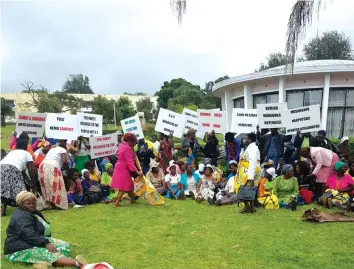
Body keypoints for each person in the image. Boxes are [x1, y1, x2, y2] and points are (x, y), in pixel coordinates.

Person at [4, 191, 88, 268]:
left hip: (31, 242)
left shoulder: (33, 212)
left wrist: (47, 242)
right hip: (17, 249)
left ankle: (41, 263)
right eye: (28, 203)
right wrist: (45, 243)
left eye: (33, 203)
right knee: (49, 254)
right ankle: (78, 263)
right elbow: (27, 233)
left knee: (64, 245)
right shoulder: (21, 217)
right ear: (21, 204)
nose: (32, 205)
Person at [1, 138, 37, 216]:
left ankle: (3, 211)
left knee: (5, 190)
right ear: (26, 146)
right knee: (21, 193)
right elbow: (31, 169)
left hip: (1, 167)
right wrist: (33, 183)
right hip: (13, 169)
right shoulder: (27, 153)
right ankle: (28, 211)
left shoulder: (11, 152)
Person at [111, 133, 143, 207]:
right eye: (135, 142)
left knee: (129, 184)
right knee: (123, 186)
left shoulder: (122, 145)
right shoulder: (127, 148)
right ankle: (116, 203)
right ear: (130, 141)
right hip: (123, 168)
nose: (135, 144)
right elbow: (130, 163)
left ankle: (132, 199)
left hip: (119, 166)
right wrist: (137, 171)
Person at [39, 140, 69, 210]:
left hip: (43, 166)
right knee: (57, 186)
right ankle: (60, 204)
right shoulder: (63, 150)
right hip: (53, 167)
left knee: (47, 186)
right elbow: (64, 161)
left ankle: (49, 204)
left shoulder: (52, 149)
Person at [236, 132, 261, 213]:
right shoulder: (248, 147)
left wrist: (250, 177)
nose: (244, 140)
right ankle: (249, 207)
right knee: (248, 189)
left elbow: (253, 162)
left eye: (246, 139)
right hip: (246, 171)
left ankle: (250, 207)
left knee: (247, 189)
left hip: (250, 172)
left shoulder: (253, 148)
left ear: (250, 139)